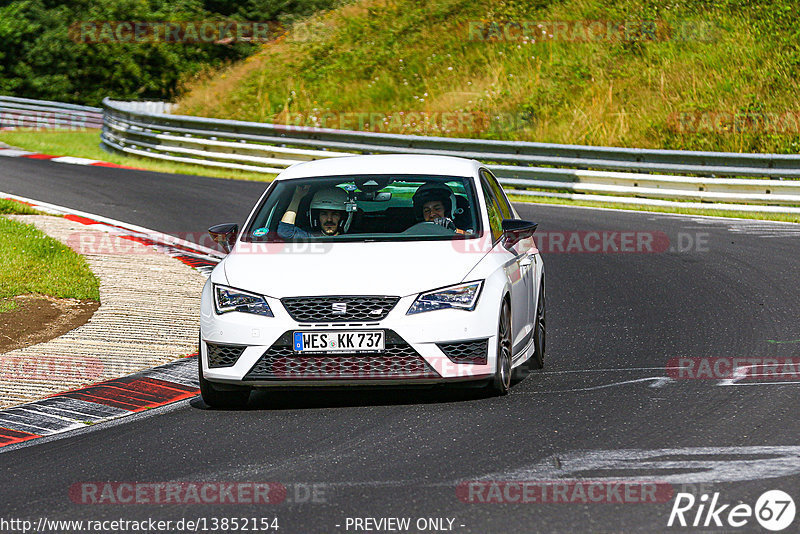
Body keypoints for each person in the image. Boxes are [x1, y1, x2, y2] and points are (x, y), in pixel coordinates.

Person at [277, 185, 351, 239]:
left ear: (343, 217)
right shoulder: (310, 236)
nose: (329, 219)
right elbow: (285, 232)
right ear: (316, 217)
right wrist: (297, 197)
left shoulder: (354, 237)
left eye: (335, 214)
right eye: (324, 214)